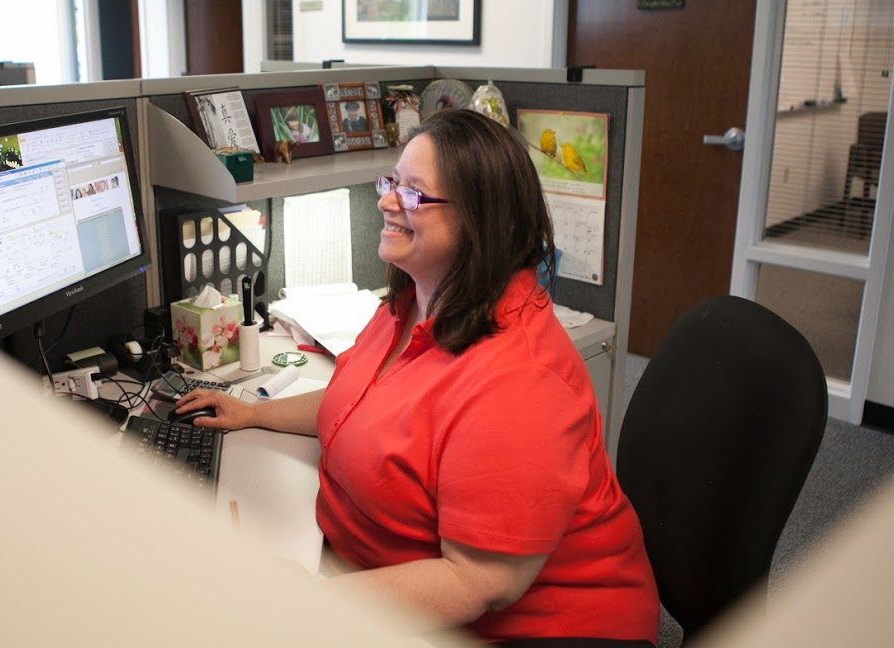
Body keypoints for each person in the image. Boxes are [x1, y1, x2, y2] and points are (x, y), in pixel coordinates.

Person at [176, 109, 658, 645]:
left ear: (481, 219)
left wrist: (307, 604)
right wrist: (254, 413)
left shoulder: (520, 382)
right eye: (392, 182)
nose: (385, 201)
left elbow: (477, 582)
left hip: (544, 629)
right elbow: (359, 400)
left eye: (413, 194)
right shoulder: (413, 300)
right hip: (374, 577)